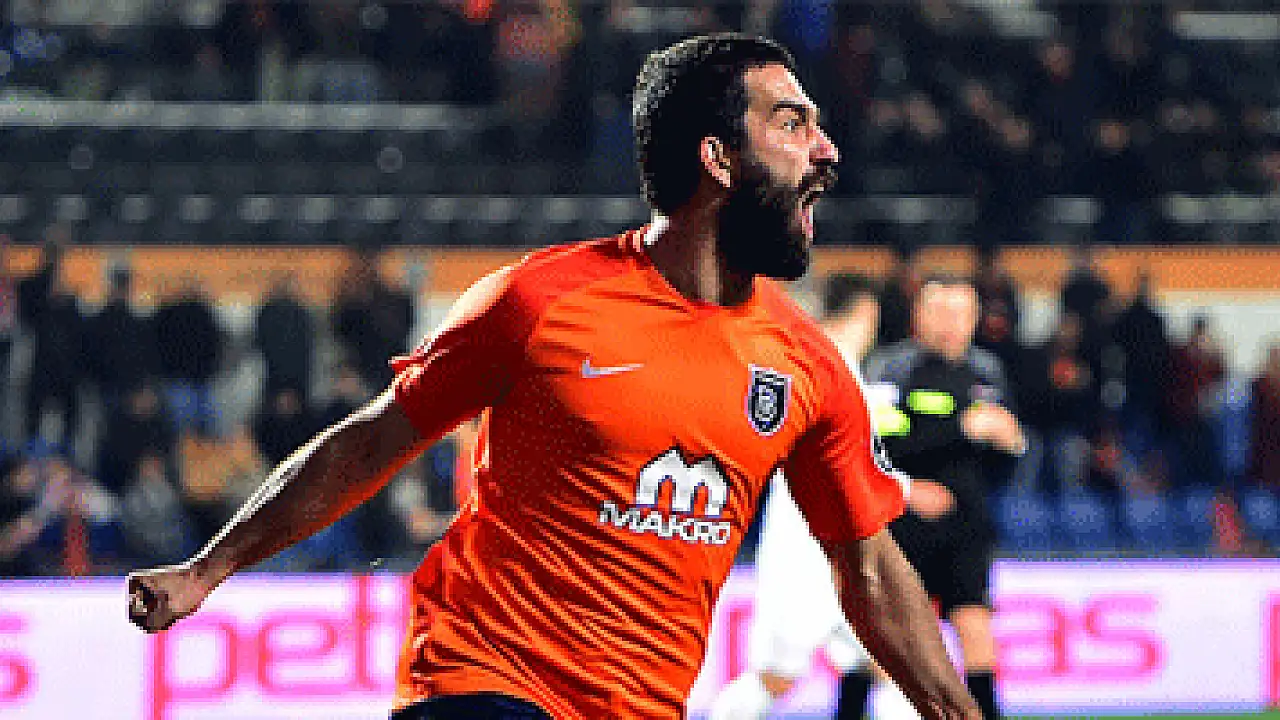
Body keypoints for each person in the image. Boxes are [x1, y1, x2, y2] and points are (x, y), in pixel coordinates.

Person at [127, 34, 981, 720]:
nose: (826, 151)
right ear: (718, 159)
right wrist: (207, 570)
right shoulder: (541, 301)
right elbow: (371, 443)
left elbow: (869, 568)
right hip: (481, 681)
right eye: (792, 124)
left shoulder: (806, 364)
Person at [710, 273, 919, 720]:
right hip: (804, 552)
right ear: (867, 313)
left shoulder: (819, 364)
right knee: (775, 678)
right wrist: (905, 489)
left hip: (841, 550)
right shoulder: (825, 369)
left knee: (893, 668)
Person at [845, 276, 1027, 719]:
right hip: (903, 523)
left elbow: (1001, 461)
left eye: (962, 313)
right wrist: (960, 430)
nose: (952, 323)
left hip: (966, 527)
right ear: (919, 317)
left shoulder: (988, 372)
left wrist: (1011, 445)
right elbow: (882, 447)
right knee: (889, 642)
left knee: (975, 630)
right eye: (941, 312)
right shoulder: (890, 368)